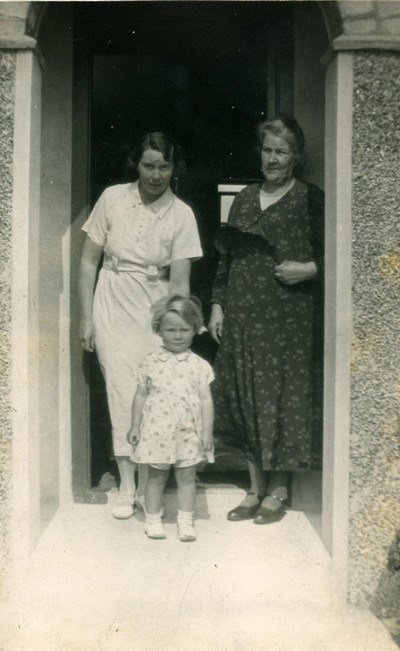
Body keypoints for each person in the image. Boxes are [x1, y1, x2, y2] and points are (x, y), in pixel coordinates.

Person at [78, 132, 203, 519]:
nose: (156, 175)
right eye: (149, 165)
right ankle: (127, 484)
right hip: (112, 299)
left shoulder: (181, 214)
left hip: (155, 304)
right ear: (137, 163)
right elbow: (88, 262)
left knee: (152, 390)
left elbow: (180, 284)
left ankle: (151, 480)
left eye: (164, 166)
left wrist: (173, 330)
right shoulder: (112, 198)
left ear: (173, 168)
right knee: (119, 389)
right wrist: (86, 316)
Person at [208, 115, 324, 525]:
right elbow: (227, 258)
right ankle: (254, 488)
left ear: (296, 157)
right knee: (246, 395)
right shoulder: (244, 198)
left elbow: (341, 253)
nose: (272, 159)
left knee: (281, 399)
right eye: (267, 150)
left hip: (288, 317)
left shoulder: (311, 199)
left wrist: (310, 269)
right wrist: (218, 304)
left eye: (281, 151)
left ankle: (278, 490)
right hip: (243, 311)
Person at [128, 295, 214, 541]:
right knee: (157, 477)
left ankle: (185, 521)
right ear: (159, 330)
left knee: (187, 476)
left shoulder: (200, 365)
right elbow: (140, 396)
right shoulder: (150, 363)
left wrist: (207, 432)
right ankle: (153, 519)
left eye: (184, 329)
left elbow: (206, 401)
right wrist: (135, 425)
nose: (178, 335)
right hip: (157, 431)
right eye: (171, 329)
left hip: (189, 431)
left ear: (195, 329)